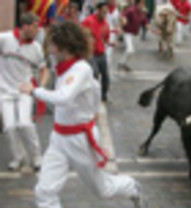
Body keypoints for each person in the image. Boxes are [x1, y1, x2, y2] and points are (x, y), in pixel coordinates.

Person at [20, 20, 147, 208]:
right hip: (59, 138)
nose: (51, 50)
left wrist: (34, 91)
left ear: (66, 47)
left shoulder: (81, 69)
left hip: (80, 140)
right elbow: (91, 96)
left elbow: (63, 97)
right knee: (44, 191)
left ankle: (132, 187)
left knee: (103, 190)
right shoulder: (62, 66)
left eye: (54, 45)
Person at [0, 13, 49, 171]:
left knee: (25, 124)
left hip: (24, 91)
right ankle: (17, 157)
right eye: (35, 27)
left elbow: (44, 69)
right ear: (25, 26)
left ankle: (36, 157)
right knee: (9, 127)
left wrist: (38, 88)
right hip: (4, 91)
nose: (38, 30)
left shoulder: (36, 48)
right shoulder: (5, 39)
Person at [82, 0, 114, 102]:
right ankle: (93, 95)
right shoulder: (88, 21)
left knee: (105, 75)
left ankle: (104, 94)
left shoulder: (105, 24)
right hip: (91, 54)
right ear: (98, 10)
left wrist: (110, 43)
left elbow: (106, 38)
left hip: (101, 53)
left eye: (106, 12)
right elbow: (81, 34)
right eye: (103, 12)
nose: (105, 14)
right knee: (94, 74)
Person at [118, 0, 149, 71]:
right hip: (127, 33)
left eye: (144, 3)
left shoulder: (142, 12)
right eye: (142, 3)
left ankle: (124, 63)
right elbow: (122, 14)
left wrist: (153, 29)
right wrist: (123, 20)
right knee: (130, 50)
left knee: (132, 50)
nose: (144, 4)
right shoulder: (131, 10)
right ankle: (121, 63)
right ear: (138, 3)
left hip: (136, 34)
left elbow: (145, 21)